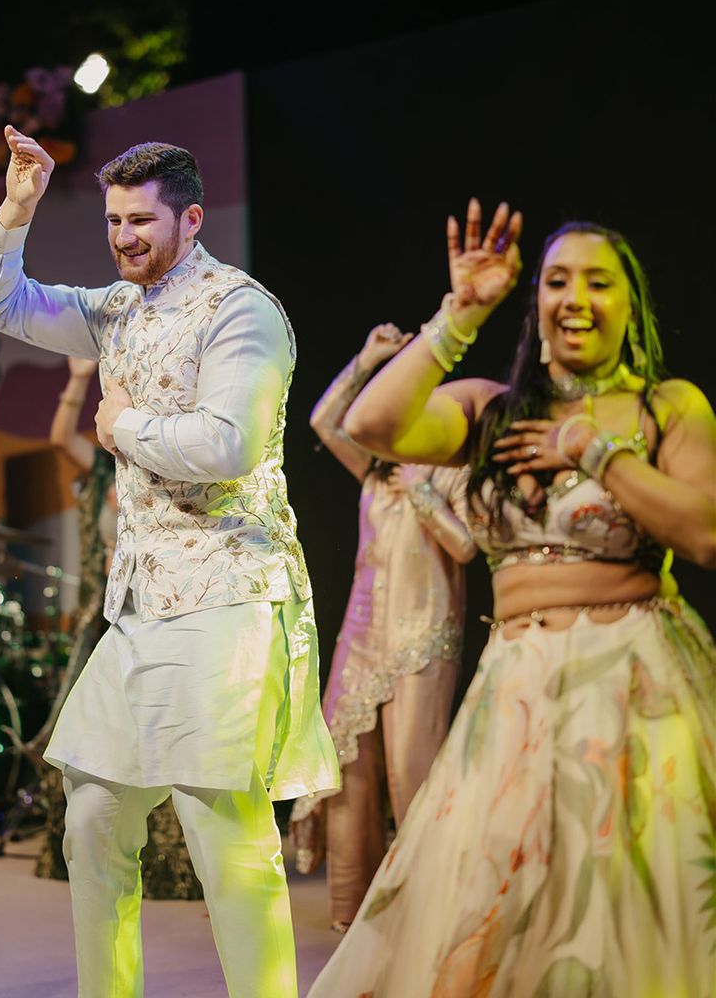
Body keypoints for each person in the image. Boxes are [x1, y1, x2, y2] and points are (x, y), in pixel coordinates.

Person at [307, 201, 716, 997]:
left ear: (630, 303)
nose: (576, 299)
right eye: (558, 281)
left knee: (628, 896)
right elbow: (370, 423)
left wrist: (596, 452)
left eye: (599, 283)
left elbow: (705, 534)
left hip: (635, 679)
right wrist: (460, 313)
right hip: (519, 685)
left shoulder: (669, 407)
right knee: (498, 897)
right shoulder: (492, 409)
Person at [0, 130, 338, 997]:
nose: (124, 236)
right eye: (112, 221)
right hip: (139, 605)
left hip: (226, 591)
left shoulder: (239, 308)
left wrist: (118, 424)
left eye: (141, 220)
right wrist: (18, 207)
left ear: (192, 218)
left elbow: (230, 443)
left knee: (222, 831)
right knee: (91, 813)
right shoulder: (115, 310)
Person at [290, 323, 475, 933]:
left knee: (410, 776)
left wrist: (425, 495)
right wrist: (366, 358)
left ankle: (428, 909)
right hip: (364, 635)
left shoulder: (450, 461)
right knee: (347, 773)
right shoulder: (376, 465)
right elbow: (324, 421)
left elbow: (468, 546)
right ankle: (355, 915)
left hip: (424, 634)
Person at [36, 356, 202, 901]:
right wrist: (81, 378)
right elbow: (61, 435)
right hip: (108, 618)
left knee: (165, 740)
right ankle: (90, 857)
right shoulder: (104, 475)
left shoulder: (171, 473)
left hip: (166, 615)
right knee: (87, 749)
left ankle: (170, 868)